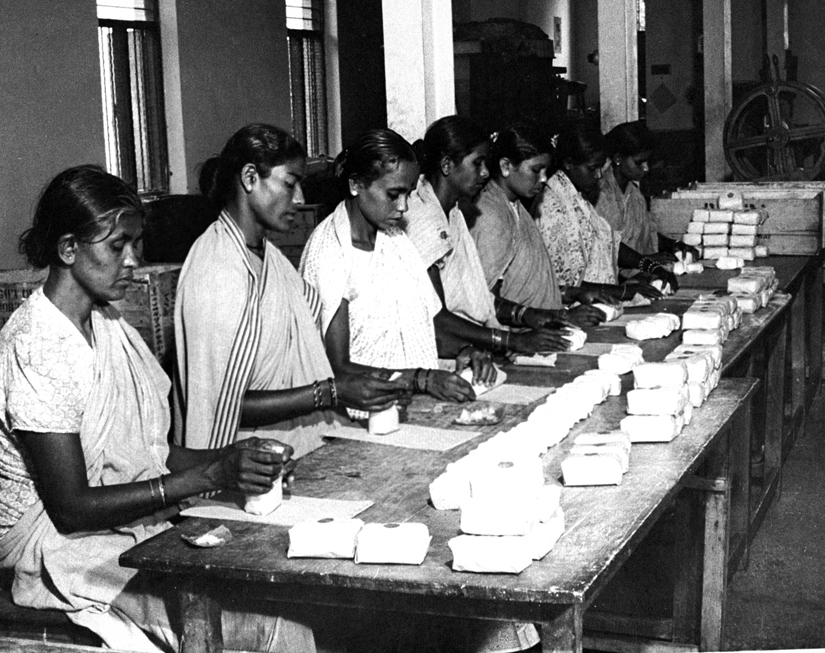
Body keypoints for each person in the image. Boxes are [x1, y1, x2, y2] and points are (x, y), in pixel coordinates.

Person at [0, 165, 316, 652]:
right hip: (56, 543)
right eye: (117, 246)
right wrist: (207, 476)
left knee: (277, 587)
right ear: (68, 249)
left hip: (110, 528)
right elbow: (72, 507)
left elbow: (150, 454)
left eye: (136, 244)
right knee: (268, 626)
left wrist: (235, 460)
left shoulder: (107, 322)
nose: (133, 261)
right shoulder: (37, 344)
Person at [174, 124, 407, 458]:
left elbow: (309, 354)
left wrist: (386, 380)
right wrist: (330, 392)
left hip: (296, 444)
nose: (300, 199)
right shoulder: (216, 269)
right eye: (289, 183)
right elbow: (218, 405)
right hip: (247, 459)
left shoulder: (270, 259)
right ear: (250, 178)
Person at [300, 128, 479, 404]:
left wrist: (466, 349)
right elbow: (338, 368)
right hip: (356, 413)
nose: (404, 206)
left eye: (408, 194)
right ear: (356, 184)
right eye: (394, 194)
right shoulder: (331, 254)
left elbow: (421, 326)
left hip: (403, 401)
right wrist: (420, 380)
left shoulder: (394, 240)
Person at [405, 115, 573, 357]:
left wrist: (527, 315)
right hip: (443, 354)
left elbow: (478, 298)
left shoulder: (453, 214)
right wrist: (511, 340)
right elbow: (436, 318)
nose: (485, 172)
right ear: (447, 165)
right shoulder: (423, 218)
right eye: (477, 163)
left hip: (466, 347)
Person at [467, 123, 613, 327]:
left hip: (539, 331)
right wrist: (561, 317)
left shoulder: (515, 206)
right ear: (506, 166)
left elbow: (524, 285)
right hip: (520, 338)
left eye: (546, 170)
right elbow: (485, 302)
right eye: (536, 170)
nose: (544, 179)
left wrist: (571, 292)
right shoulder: (490, 215)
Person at [532, 118, 678, 298]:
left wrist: (651, 266)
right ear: (569, 163)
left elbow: (609, 243)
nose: (599, 175)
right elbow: (561, 284)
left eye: (601, 167)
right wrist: (623, 291)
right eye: (592, 168)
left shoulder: (577, 197)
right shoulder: (552, 207)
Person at [597, 120, 699, 262]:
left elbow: (648, 234)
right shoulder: (601, 195)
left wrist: (674, 245)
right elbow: (605, 249)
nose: (646, 168)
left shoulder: (635, 195)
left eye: (647, 161)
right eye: (639, 162)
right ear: (618, 159)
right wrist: (647, 261)